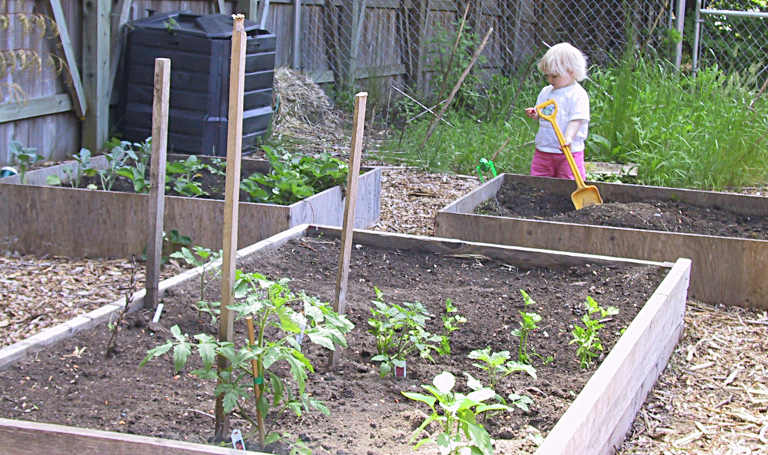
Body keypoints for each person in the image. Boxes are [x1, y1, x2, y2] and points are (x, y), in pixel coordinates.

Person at [524, 42, 590, 180]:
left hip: (568, 152)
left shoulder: (577, 94)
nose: (549, 80)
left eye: (554, 76)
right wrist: (535, 114)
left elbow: (576, 120)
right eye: (547, 75)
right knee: (539, 180)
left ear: (571, 71)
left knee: (569, 181)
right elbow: (543, 115)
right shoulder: (546, 92)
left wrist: (569, 137)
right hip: (544, 150)